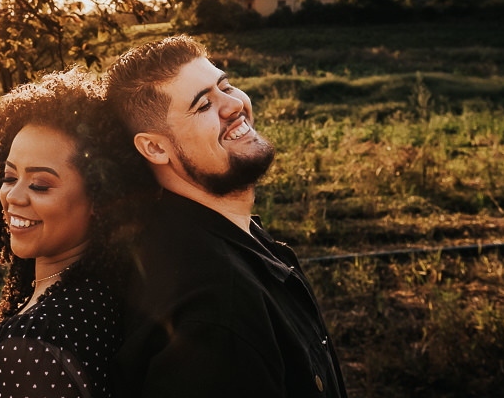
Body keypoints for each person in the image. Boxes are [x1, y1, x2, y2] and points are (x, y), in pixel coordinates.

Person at [105, 35, 348, 397]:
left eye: (225, 86)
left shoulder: (231, 236)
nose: (234, 105)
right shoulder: (216, 306)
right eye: (203, 104)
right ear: (155, 147)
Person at [0, 68, 147, 398]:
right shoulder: (96, 294)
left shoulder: (36, 343)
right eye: (9, 177)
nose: (13, 196)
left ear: (100, 197)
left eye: (40, 184)